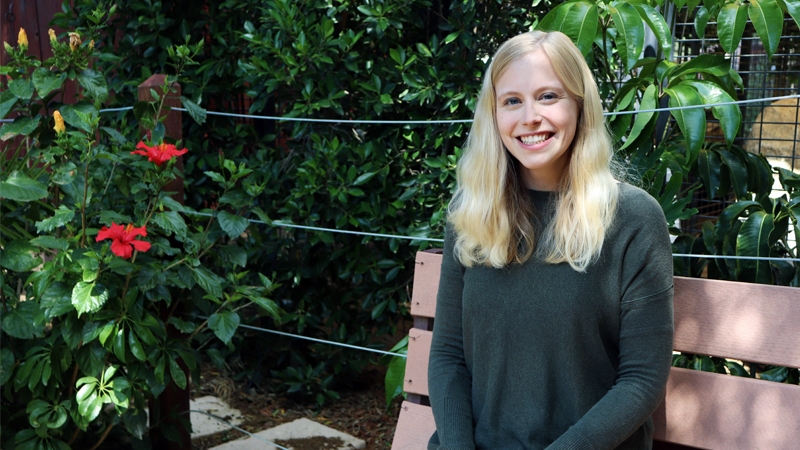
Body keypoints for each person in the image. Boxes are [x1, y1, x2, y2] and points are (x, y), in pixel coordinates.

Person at [427, 30, 674, 450]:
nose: (529, 118)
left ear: (580, 105)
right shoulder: (472, 213)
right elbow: (448, 356)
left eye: (547, 96)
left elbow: (642, 381)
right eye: (511, 101)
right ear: (493, 115)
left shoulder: (633, 219)